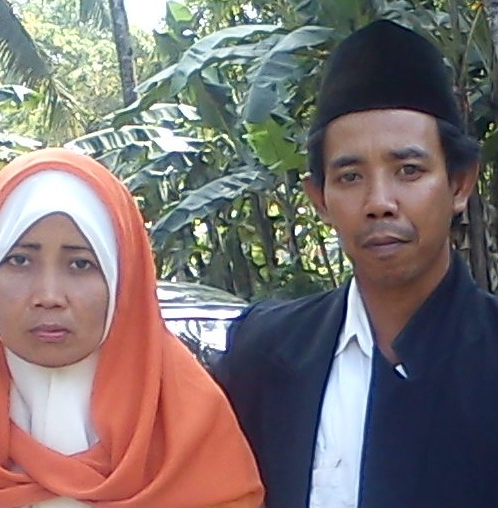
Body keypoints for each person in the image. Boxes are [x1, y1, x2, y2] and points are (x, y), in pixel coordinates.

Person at [211, 19, 498, 508]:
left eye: (409, 170)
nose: (379, 202)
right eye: (350, 177)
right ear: (320, 199)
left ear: (459, 184)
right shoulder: (263, 352)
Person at [0, 147, 264, 507]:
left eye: (81, 264)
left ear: (122, 279)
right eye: (19, 260)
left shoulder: (189, 425)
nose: (49, 296)